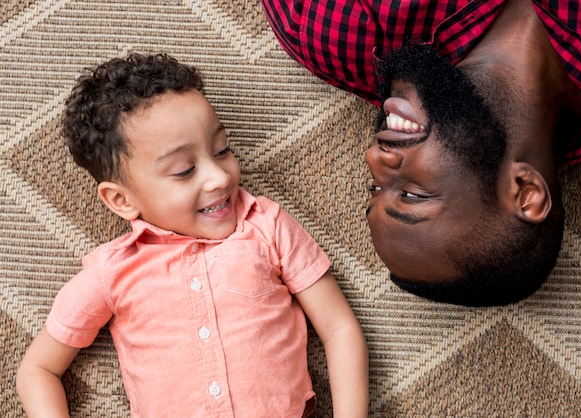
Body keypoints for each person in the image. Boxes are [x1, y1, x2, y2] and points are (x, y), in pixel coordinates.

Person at [16, 53, 369, 417]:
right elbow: (38, 369)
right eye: (184, 171)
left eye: (222, 150)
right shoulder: (112, 270)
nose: (219, 178)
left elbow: (339, 328)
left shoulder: (266, 225)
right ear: (121, 199)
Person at [261, 0, 581, 306]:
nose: (374, 157)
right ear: (523, 190)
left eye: (374, 189)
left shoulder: (339, 32)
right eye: (411, 194)